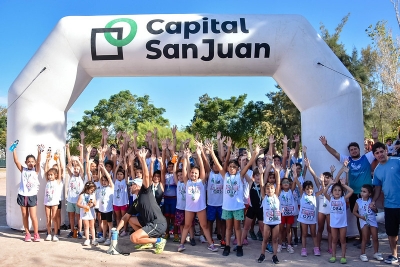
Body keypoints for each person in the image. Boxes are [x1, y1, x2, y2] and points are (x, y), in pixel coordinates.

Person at [319, 129, 378, 247]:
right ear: (349, 152)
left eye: (355, 149)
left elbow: (377, 149)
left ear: (359, 149)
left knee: (368, 215)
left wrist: (375, 138)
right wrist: (325, 145)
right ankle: (363, 239)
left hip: (366, 193)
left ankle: (368, 241)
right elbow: (334, 153)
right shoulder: (347, 160)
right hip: (352, 193)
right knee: (356, 214)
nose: (353, 151)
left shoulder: (367, 157)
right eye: (351, 150)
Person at [206, 138, 257, 257]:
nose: (232, 168)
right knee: (228, 228)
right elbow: (218, 164)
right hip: (227, 207)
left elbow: (249, 163)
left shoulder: (240, 176)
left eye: (234, 167)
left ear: (238, 168)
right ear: (227, 168)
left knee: (237, 228)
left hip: (238, 207)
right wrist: (212, 152)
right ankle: (227, 246)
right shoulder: (225, 176)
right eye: (230, 167)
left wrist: (255, 153)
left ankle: (239, 246)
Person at [177, 142, 219, 253]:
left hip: (200, 207)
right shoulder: (187, 182)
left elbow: (202, 167)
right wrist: (186, 158)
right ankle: (181, 244)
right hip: (189, 208)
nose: (193, 175)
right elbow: (184, 170)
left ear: (198, 174)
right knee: (187, 225)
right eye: (192, 173)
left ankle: (211, 244)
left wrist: (199, 154)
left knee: (204, 225)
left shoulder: (202, 181)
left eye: (196, 173)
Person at [127, 148, 167, 254]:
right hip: (150, 221)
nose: (130, 186)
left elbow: (147, 175)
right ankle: (146, 242)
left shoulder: (145, 191)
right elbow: (126, 217)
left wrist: (143, 159)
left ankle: (158, 240)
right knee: (131, 219)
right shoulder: (137, 198)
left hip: (157, 224)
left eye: (133, 184)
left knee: (133, 238)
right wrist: (117, 229)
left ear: (138, 186)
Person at [370, 142, 400, 264]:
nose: (380, 154)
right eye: (377, 153)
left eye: (381, 151)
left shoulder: (397, 161)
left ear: (386, 150)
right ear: (374, 155)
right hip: (390, 206)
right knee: (391, 232)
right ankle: (394, 255)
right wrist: (373, 201)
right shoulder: (377, 171)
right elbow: (377, 188)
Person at [323, 163, 354, 264]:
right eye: (335, 190)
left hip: (342, 224)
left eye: (339, 190)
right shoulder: (331, 199)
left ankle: (343, 257)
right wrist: (330, 184)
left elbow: (351, 191)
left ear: (341, 192)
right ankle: (333, 256)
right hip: (333, 224)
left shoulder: (343, 199)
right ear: (332, 192)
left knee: (343, 241)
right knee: (334, 240)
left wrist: (344, 184)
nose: (337, 192)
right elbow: (324, 192)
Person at [13, 143, 42, 242]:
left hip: (32, 196)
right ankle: (27, 234)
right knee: (25, 215)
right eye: (28, 161)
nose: (30, 163)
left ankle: (36, 234)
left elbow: (38, 162)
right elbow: (16, 161)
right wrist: (14, 149)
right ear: (26, 162)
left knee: (33, 216)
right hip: (22, 195)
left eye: (32, 161)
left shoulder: (36, 170)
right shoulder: (23, 170)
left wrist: (39, 151)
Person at [295, 159, 321, 257]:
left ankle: (316, 248)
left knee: (313, 234)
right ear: (304, 189)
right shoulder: (302, 195)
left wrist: (323, 183)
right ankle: (304, 249)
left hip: (312, 220)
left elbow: (323, 191)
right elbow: (297, 182)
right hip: (303, 219)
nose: (309, 190)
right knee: (304, 234)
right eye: (307, 189)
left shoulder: (314, 195)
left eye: (311, 188)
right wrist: (294, 173)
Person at [352, 184, 383, 262]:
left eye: (364, 192)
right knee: (365, 238)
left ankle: (376, 253)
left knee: (375, 237)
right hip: (364, 221)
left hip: (372, 220)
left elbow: (376, 211)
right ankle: (363, 254)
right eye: (361, 191)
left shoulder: (372, 200)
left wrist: (374, 208)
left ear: (369, 194)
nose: (362, 193)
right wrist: (361, 217)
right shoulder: (358, 201)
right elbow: (354, 212)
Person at [258, 163, 281, 264]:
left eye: (272, 188)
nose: (270, 190)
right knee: (265, 239)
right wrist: (261, 174)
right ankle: (262, 255)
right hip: (267, 222)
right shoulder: (264, 197)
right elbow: (262, 185)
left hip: (276, 222)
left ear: (274, 189)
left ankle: (274, 256)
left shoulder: (276, 196)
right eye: (268, 189)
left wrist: (277, 172)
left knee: (275, 239)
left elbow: (279, 184)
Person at [277, 164, 298, 254]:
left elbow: (294, 180)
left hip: (290, 214)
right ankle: (280, 244)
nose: (286, 183)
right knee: (281, 230)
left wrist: (294, 171)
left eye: (287, 182)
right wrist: (277, 172)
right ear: (281, 185)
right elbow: (278, 182)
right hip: (281, 214)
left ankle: (289, 245)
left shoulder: (291, 190)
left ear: (289, 185)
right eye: (284, 182)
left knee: (288, 230)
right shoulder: (279, 192)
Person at [44, 155, 62, 242]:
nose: (50, 176)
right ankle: (49, 233)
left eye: (51, 175)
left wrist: (57, 160)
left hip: (55, 202)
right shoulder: (47, 181)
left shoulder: (57, 181)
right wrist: (47, 161)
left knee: (54, 218)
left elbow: (60, 170)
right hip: (47, 202)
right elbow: (45, 170)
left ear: (55, 175)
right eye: (49, 175)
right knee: (48, 218)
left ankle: (55, 234)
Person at [96, 163, 114, 246]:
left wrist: (104, 169)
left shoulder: (111, 187)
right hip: (102, 209)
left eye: (105, 181)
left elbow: (109, 177)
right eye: (102, 181)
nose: (103, 182)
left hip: (108, 209)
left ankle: (109, 238)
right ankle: (103, 236)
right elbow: (100, 177)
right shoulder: (101, 186)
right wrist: (100, 169)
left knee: (110, 224)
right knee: (104, 222)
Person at [77, 181, 98, 246]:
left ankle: (94, 239)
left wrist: (93, 204)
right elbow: (78, 204)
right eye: (91, 190)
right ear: (87, 188)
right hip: (85, 212)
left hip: (91, 212)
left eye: (93, 190)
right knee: (86, 226)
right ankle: (87, 239)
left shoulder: (93, 195)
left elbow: (95, 203)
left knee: (92, 226)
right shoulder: (82, 195)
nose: (92, 191)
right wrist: (84, 206)